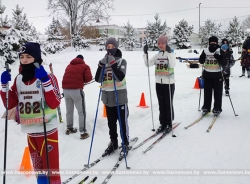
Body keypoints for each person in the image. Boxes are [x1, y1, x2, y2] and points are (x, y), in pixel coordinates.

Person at [0, 42, 61, 183]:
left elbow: (55, 103)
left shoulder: (48, 77)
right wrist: (4, 87)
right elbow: (10, 104)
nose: (25, 60)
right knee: (39, 172)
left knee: (52, 173)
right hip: (30, 133)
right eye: (22, 57)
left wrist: (45, 81)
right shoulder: (19, 79)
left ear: (36, 58)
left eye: (28, 56)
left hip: (48, 132)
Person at [95, 38, 129, 156]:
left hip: (120, 97)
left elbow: (120, 77)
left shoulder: (122, 61)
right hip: (108, 98)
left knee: (122, 123)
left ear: (116, 47)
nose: (110, 49)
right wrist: (100, 65)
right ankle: (114, 142)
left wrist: (113, 63)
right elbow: (97, 79)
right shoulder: (103, 61)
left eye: (112, 46)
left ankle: (125, 143)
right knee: (111, 123)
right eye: (108, 47)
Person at [143, 35, 176, 133]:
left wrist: (169, 52)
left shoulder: (171, 54)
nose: (160, 45)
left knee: (168, 104)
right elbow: (147, 64)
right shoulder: (157, 55)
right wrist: (145, 53)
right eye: (159, 43)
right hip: (159, 83)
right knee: (161, 104)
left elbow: (172, 64)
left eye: (162, 43)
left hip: (169, 83)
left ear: (166, 44)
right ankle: (162, 123)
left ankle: (169, 123)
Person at [62, 54, 92, 139]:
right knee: (81, 112)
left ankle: (69, 128)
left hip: (65, 90)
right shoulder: (85, 66)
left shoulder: (69, 65)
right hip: (76, 91)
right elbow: (88, 78)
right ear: (82, 59)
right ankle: (83, 132)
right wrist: (82, 81)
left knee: (69, 110)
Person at [199, 36, 226, 116]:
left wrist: (220, 58)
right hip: (207, 74)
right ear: (209, 43)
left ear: (217, 43)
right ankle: (206, 108)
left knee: (218, 93)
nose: (213, 44)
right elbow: (201, 61)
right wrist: (202, 58)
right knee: (207, 93)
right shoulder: (205, 50)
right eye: (211, 42)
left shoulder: (220, 50)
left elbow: (224, 63)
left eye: (215, 42)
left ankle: (217, 108)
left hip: (218, 75)